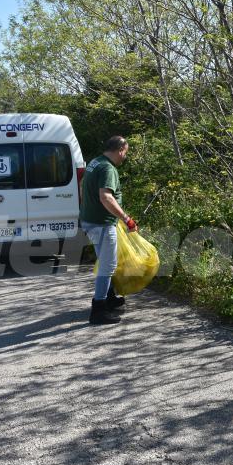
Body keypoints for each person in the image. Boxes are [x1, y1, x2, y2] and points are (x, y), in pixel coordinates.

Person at [80, 136, 138, 325]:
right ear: (120, 149)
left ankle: (110, 297)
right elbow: (106, 197)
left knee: (105, 261)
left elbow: (83, 189)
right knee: (108, 265)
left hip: (90, 221)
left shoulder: (95, 163)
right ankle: (98, 309)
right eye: (126, 153)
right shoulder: (107, 168)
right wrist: (126, 218)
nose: (125, 157)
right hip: (102, 224)